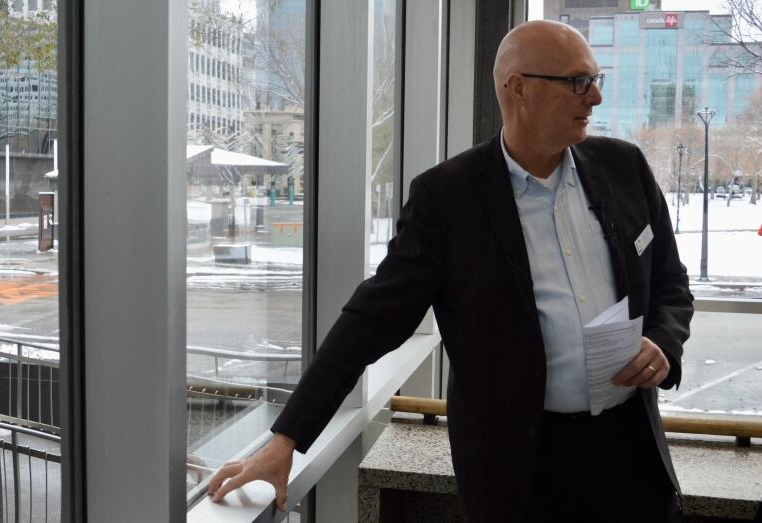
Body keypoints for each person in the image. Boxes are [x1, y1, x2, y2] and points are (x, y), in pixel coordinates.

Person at [208, 20, 693, 522]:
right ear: (518, 88)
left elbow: (671, 285)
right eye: (577, 82)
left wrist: (663, 340)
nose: (593, 98)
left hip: (631, 453)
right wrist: (287, 438)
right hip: (523, 470)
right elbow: (372, 319)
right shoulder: (448, 198)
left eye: (596, 80)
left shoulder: (625, 168)